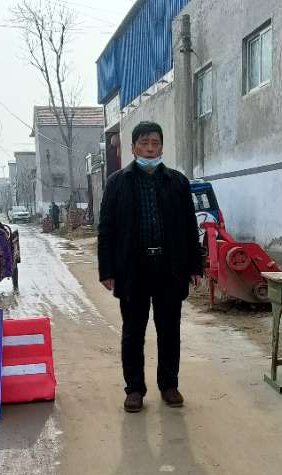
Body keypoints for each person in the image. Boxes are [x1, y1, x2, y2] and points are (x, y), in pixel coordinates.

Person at [97, 121, 202, 413]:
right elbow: (106, 229)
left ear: (162, 147)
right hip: (133, 268)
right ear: (133, 148)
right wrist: (107, 270)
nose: (150, 149)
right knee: (133, 333)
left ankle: (169, 385)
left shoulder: (177, 182)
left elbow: (189, 227)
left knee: (169, 331)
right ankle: (134, 389)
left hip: (169, 267)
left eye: (155, 143)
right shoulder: (117, 183)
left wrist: (195, 266)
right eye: (144, 143)